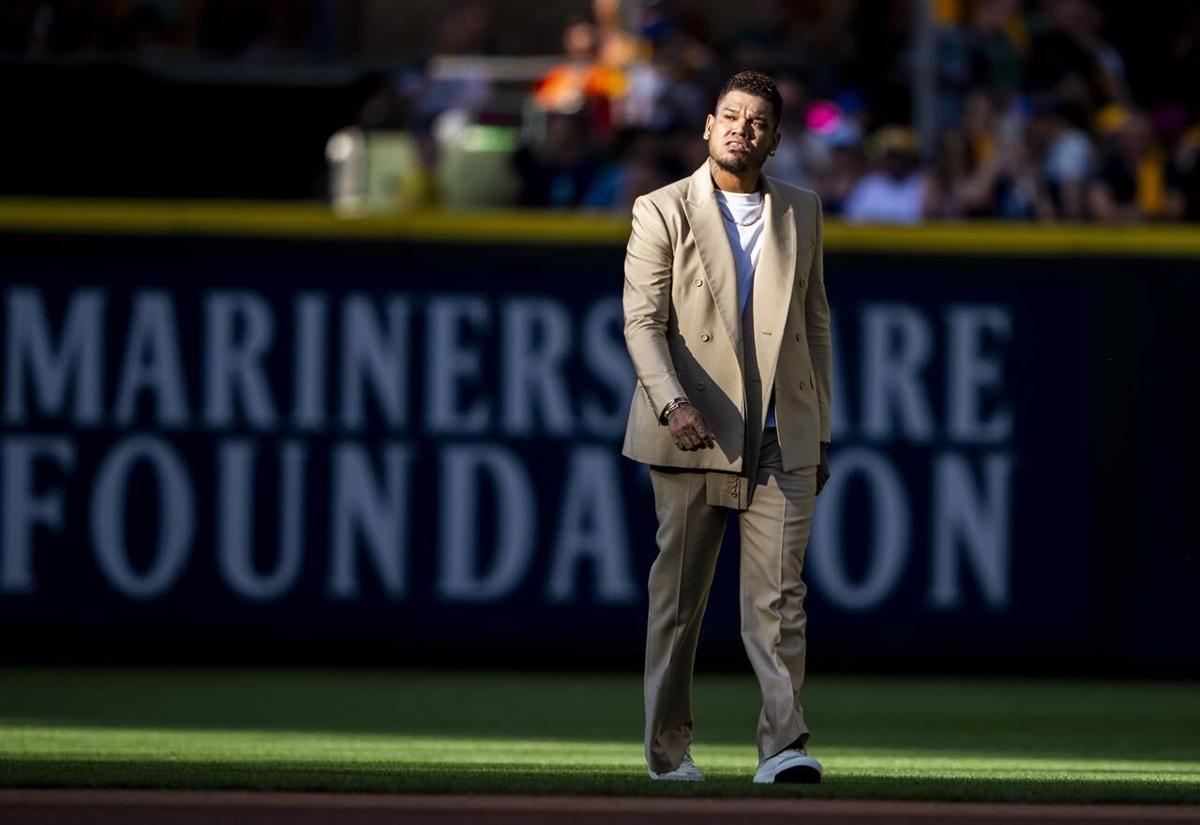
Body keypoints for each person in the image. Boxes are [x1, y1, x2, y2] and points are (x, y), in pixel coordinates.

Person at [621, 70, 832, 785]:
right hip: (693, 429)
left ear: (774, 139)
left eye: (758, 120)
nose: (743, 127)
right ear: (709, 126)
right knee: (678, 602)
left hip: (780, 432)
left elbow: (814, 319)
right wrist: (670, 400)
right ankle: (667, 750)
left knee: (779, 599)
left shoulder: (801, 209)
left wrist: (819, 427)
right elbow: (643, 323)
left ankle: (783, 746)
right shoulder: (662, 209)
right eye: (731, 116)